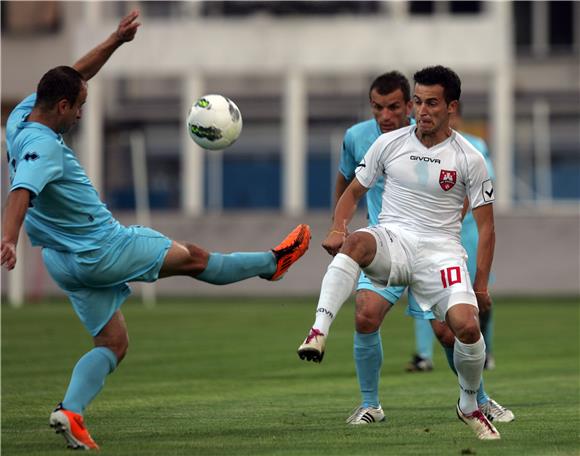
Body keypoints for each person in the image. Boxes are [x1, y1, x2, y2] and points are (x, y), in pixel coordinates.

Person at [1, 11, 310, 450]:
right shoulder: (44, 147)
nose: (83, 112)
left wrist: (115, 40)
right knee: (196, 259)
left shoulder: (20, 115)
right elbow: (20, 192)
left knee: (113, 342)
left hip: (62, 261)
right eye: (81, 105)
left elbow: (75, 75)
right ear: (64, 107)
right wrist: (9, 237)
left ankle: (70, 410)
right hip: (104, 248)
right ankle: (272, 264)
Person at [297, 66, 502, 440]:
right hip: (393, 239)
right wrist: (337, 227)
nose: (422, 111)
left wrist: (482, 284)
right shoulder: (386, 143)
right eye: (419, 102)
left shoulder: (470, 158)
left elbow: (487, 226)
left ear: (451, 106)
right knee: (359, 265)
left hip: (441, 253)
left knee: (464, 328)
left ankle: (471, 402)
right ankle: (318, 331)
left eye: (432, 103)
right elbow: (352, 190)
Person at [407, 105, 497, 372]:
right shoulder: (421, 148)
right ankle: (424, 355)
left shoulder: (475, 146)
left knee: (477, 297)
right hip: (433, 233)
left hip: (467, 230)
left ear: (453, 113)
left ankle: (485, 349)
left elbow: (482, 184)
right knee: (424, 291)